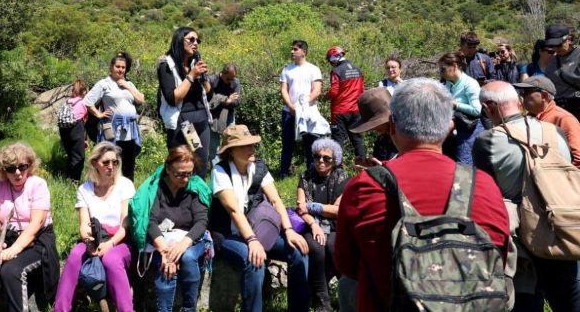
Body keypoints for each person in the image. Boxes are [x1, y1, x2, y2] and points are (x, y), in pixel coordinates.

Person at [336, 78, 510, 312]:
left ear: (393, 126)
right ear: (450, 128)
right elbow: (499, 259)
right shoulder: (485, 185)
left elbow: (346, 264)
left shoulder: (364, 187)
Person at [472, 81, 578, 311]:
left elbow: (487, 196)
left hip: (521, 242)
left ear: (489, 107)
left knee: (527, 303)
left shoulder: (487, 141)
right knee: (570, 301)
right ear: (519, 102)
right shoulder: (555, 132)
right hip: (563, 230)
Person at [209, 124, 309, 312]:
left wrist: (289, 231)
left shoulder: (258, 167)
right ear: (231, 151)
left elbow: (275, 200)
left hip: (258, 230)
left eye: (253, 144)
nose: (252, 149)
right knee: (253, 259)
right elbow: (233, 211)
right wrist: (252, 240)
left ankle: (299, 308)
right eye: (246, 145)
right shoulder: (220, 172)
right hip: (228, 234)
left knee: (298, 251)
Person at [0, 143, 60, 312]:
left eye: (22, 166)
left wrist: (16, 248)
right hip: (7, 237)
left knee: (12, 271)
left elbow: (37, 222)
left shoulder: (38, 184)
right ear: (3, 170)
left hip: (36, 240)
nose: (17, 172)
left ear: (30, 165)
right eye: (11, 168)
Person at [54, 142, 135, 312]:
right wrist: (88, 241)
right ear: (94, 163)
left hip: (120, 240)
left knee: (111, 260)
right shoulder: (85, 189)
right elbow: (84, 224)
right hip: (95, 237)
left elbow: (125, 225)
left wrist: (111, 244)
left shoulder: (125, 185)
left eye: (115, 162)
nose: (111, 166)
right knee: (75, 255)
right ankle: (60, 309)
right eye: (106, 162)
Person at [129, 145, 211, 312]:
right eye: (180, 174)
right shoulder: (155, 188)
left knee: (188, 258)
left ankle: (189, 308)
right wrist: (165, 252)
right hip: (160, 241)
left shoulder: (195, 187)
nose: (185, 179)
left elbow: (201, 222)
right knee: (165, 266)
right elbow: (150, 222)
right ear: (167, 168)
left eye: (189, 173)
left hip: (192, 239)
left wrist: (182, 246)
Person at [296, 138, 347, 311]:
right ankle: (322, 302)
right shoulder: (305, 176)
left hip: (335, 225)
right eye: (317, 156)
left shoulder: (341, 177)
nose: (321, 161)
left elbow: (339, 211)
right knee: (316, 249)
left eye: (327, 158)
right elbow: (300, 208)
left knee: (335, 248)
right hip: (311, 224)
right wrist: (314, 224)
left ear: (335, 161)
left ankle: (348, 297)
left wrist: (314, 207)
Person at [157, 27, 213, 175]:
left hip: (202, 121)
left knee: (200, 164)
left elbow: (208, 93)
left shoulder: (194, 62)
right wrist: (192, 75)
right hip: (185, 123)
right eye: (191, 40)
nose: (196, 43)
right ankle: (179, 196)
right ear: (179, 40)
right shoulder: (167, 65)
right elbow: (173, 99)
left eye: (198, 40)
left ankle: (197, 196)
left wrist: (204, 77)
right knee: (183, 165)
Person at [84, 52, 145, 180]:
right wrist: (99, 114)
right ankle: (109, 189)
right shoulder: (104, 84)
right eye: (118, 66)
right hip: (113, 129)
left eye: (123, 67)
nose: (120, 70)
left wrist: (127, 86)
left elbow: (140, 99)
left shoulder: (129, 84)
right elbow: (88, 101)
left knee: (128, 163)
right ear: (111, 67)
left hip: (130, 129)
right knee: (111, 161)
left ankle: (128, 194)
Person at [279, 39, 323, 177]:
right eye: (292, 49)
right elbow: (283, 90)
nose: (292, 51)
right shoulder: (287, 70)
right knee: (287, 144)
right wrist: (291, 106)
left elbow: (317, 90)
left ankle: (312, 173)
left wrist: (304, 105)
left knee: (310, 145)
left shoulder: (313, 69)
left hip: (308, 112)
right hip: (289, 112)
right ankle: (283, 174)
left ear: (304, 52)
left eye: (295, 49)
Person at [515, 75, 580, 166]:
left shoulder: (564, 119)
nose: (522, 96)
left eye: (526, 92)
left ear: (544, 96)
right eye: (521, 92)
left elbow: (578, 159)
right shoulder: (527, 118)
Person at [438, 51, 483, 164]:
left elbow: (477, 110)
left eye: (443, 69)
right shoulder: (448, 83)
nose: (441, 73)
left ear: (454, 66)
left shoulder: (470, 84)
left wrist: (456, 104)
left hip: (469, 131)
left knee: (464, 165)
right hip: (453, 131)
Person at [323, 46, 365, 160]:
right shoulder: (358, 69)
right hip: (356, 110)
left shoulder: (336, 71)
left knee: (338, 141)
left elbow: (334, 91)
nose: (331, 63)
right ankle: (362, 167)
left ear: (334, 57)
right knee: (357, 140)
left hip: (340, 112)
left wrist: (324, 97)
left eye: (330, 60)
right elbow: (362, 90)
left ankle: (337, 170)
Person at [349, 87, 398, 165]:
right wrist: (370, 167)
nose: (374, 129)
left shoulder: (408, 138)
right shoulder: (382, 141)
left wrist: (385, 168)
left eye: (376, 124)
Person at [544, 25, 580, 121]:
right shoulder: (552, 61)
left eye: (558, 44)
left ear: (569, 39)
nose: (555, 48)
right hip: (559, 108)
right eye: (551, 45)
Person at [207, 63, 241, 159]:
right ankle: (216, 168)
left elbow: (237, 102)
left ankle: (231, 165)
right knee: (214, 145)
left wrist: (228, 102)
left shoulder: (235, 82)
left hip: (229, 115)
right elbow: (208, 100)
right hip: (213, 116)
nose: (230, 81)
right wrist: (226, 99)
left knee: (232, 141)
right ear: (222, 73)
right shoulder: (212, 80)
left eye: (232, 79)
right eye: (228, 79)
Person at [59, 79, 88, 181]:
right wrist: (85, 139)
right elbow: (85, 122)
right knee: (79, 157)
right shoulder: (83, 103)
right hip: (76, 127)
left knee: (71, 155)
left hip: (63, 129)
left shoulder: (67, 102)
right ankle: (74, 182)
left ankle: (67, 177)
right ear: (83, 91)